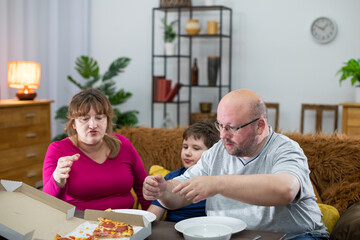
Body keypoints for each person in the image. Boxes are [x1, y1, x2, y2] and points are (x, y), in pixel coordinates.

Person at [143, 89, 329, 240]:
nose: (223, 135)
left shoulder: (285, 149)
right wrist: (163, 190)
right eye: (220, 125)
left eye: (232, 128)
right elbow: (180, 194)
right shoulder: (217, 151)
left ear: (260, 126)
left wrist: (218, 184)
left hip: (296, 236)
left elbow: (286, 190)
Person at [43, 88, 150, 211]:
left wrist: (152, 222)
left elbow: (144, 191)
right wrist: (57, 179)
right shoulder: (58, 150)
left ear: (107, 120)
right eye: (84, 119)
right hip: (81, 226)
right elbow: (46, 202)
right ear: (73, 124)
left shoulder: (123, 144)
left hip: (126, 225)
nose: (93, 125)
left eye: (99, 118)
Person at [147, 121, 220, 222]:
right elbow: (153, 214)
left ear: (211, 153)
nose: (187, 153)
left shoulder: (216, 182)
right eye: (185, 147)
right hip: (172, 229)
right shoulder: (170, 178)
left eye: (196, 148)